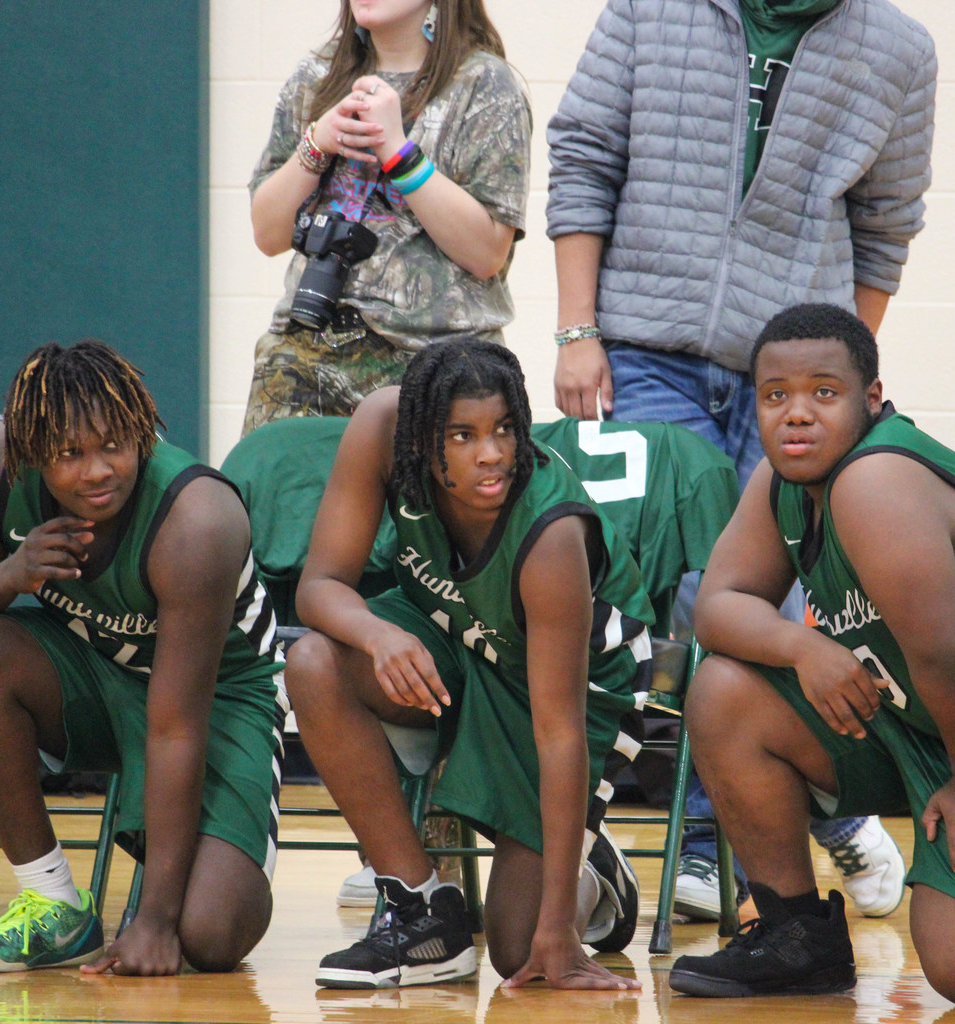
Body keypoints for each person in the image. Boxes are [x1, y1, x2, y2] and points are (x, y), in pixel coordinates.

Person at [545, 0, 935, 920]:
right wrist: (576, 329)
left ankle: (746, 827)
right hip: (644, 352)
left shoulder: (901, 48)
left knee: (790, 602)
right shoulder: (648, 8)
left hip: (790, 375)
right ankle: (793, 829)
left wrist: (834, 382)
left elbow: (886, 226)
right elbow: (584, 157)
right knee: (679, 591)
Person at [284, 339, 655, 989]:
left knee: (521, 950)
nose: (491, 454)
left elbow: (559, 732)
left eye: (505, 429)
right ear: (423, 441)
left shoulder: (549, 534)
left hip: (575, 681)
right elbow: (319, 587)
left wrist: (558, 935)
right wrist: (376, 634)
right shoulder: (382, 429)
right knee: (314, 661)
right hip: (454, 631)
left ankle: (588, 878)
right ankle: (422, 907)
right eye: (462, 435)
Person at [0, 340, 284, 975]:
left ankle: (163, 881)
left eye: (114, 445)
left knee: (208, 936)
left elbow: (177, 725)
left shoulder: (197, 519)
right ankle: (53, 902)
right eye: (70, 454)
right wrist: (7, 576)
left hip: (221, 696)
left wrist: (156, 920)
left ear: (142, 432)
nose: (98, 471)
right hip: (95, 667)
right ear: (32, 452)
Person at [669, 304, 955, 999]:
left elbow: (947, 653)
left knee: (948, 969)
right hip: (908, 729)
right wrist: (803, 647)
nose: (797, 414)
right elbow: (719, 608)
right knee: (723, 688)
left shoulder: (875, 481)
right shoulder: (784, 483)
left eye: (823, 393)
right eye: (776, 397)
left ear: (873, 399)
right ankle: (797, 937)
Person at [242, 0, 531, 429]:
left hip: (435, 359)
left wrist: (398, 152)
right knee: (274, 488)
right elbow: (268, 234)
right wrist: (317, 143)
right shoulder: (316, 75)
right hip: (305, 354)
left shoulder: (485, 83)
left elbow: (486, 253)